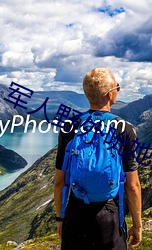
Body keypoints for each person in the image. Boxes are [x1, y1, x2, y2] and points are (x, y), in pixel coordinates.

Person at [54, 68, 142, 250]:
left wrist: (60, 218)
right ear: (110, 94)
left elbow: (59, 181)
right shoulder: (124, 129)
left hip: (76, 212)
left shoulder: (70, 126)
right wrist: (137, 226)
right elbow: (132, 185)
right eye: (118, 87)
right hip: (109, 215)